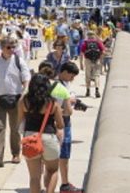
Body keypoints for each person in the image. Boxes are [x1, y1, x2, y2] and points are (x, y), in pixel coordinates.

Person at [0, 36, 31, 168]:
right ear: (2, 48)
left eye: (13, 47)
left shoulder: (19, 61)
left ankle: (16, 153)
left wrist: (24, 93)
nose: (11, 50)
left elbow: (26, 79)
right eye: (8, 47)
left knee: (15, 129)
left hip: (16, 99)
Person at [19, 73, 65, 193]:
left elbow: (18, 122)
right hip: (49, 137)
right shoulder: (52, 103)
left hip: (30, 138)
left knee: (34, 177)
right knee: (53, 170)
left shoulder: (24, 101)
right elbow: (60, 125)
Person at [54, 62, 83, 193]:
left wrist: (72, 101)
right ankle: (64, 185)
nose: (73, 79)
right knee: (63, 155)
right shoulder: (58, 87)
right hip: (61, 123)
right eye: (72, 76)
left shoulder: (61, 84)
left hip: (61, 122)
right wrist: (69, 103)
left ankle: (61, 184)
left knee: (57, 156)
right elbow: (65, 111)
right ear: (65, 72)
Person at [79, 30, 105, 98]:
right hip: (96, 60)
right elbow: (103, 52)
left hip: (88, 60)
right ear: (94, 35)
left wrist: (81, 63)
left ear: (88, 36)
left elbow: (81, 53)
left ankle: (88, 90)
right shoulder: (98, 42)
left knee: (88, 76)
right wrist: (101, 61)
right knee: (97, 75)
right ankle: (97, 90)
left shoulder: (85, 43)